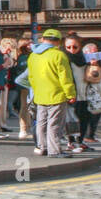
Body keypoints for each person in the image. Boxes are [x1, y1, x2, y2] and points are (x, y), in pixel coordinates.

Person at [26, 28, 78, 158]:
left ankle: (42, 147)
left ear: (43, 39)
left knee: (41, 122)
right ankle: (54, 150)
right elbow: (65, 77)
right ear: (58, 42)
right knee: (54, 124)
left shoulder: (33, 55)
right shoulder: (59, 55)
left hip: (40, 94)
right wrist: (71, 94)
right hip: (56, 95)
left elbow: (31, 77)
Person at [62, 34, 92, 154]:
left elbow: (95, 76)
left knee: (84, 119)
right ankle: (71, 142)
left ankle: (80, 141)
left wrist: (93, 66)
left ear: (80, 46)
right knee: (71, 120)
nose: (72, 50)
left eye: (75, 47)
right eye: (68, 47)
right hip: (71, 94)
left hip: (84, 93)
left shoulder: (85, 59)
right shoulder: (64, 59)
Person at [11, 37, 35, 139]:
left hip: (27, 85)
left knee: (27, 107)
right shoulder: (24, 58)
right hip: (25, 86)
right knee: (25, 107)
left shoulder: (25, 56)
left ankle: (27, 127)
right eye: (29, 44)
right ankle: (23, 129)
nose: (32, 45)